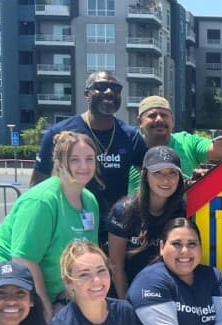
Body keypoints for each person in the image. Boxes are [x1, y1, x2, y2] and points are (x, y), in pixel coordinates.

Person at [0, 131, 100, 320]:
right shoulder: (42, 201)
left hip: (31, 284)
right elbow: (24, 260)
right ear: (59, 163)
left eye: (89, 159)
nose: (84, 166)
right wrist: (44, 306)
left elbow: (82, 257)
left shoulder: (90, 201)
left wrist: (65, 298)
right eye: (74, 160)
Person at [30, 71, 147, 244]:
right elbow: (37, 184)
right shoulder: (60, 133)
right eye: (101, 87)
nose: (109, 92)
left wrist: (135, 208)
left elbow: (151, 176)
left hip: (114, 230)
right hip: (69, 228)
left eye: (116, 89)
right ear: (87, 94)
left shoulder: (131, 136)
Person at [108, 146, 187, 298]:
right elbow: (116, 265)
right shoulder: (123, 211)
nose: (166, 179)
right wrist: (127, 305)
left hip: (167, 295)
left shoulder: (183, 212)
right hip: (128, 292)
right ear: (144, 175)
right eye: (157, 172)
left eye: (172, 173)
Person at [130, 96, 222, 190]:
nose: (159, 119)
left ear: (172, 120)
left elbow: (219, 149)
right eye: (152, 115)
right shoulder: (129, 150)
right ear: (140, 122)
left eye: (164, 115)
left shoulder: (187, 142)